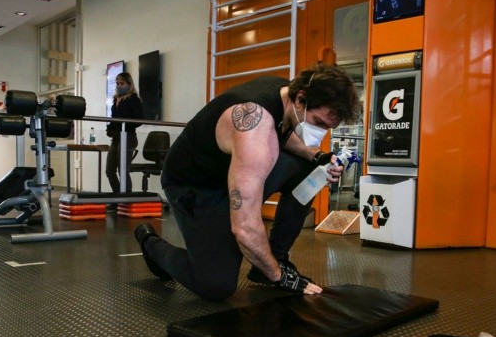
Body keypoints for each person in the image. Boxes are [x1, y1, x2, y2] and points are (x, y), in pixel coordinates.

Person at [134, 64, 360, 301]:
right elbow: (244, 227)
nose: (321, 132)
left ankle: (277, 256)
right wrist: (278, 276)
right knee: (215, 284)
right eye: (319, 122)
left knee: (312, 170)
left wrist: (316, 156)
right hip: (194, 186)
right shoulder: (256, 132)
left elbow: (283, 133)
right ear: (301, 99)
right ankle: (150, 243)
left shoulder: (287, 94)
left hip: (233, 172)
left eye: (328, 127)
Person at [106, 72, 143, 192]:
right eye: (117, 83)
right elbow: (114, 119)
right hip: (116, 138)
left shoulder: (133, 99)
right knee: (109, 170)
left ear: (129, 84)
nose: (118, 86)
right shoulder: (115, 99)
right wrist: (110, 129)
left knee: (123, 170)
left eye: (121, 83)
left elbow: (139, 120)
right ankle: (118, 197)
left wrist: (124, 125)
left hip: (128, 137)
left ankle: (127, 199)